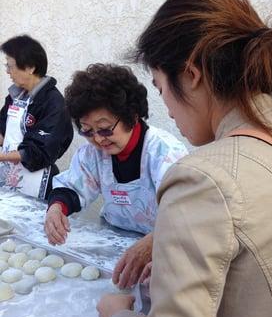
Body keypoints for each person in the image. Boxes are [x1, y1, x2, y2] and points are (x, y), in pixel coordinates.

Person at [97, 0, 272, 317]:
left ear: (190, 75)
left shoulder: (201, 179)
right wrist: (166, 238)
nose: (168, 111)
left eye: (161, 90)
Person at [44, 63, 187, 288]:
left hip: (164, 247)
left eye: (105, 128)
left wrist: (153, 242)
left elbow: (184, 210)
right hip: (112, 242)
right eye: (87, 130)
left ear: (131, 115)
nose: (98, 139)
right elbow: (73, 186)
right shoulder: (92, 154)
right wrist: (56, 208)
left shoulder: (163, 152)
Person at [0, 35, 73, 199]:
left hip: (36, 181)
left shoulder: (53, 103)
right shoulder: (15, 96)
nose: (7, 71)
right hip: (7, 176)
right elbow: (3, 132)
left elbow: (38, 151)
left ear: (30, 67)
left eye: (10, 66)